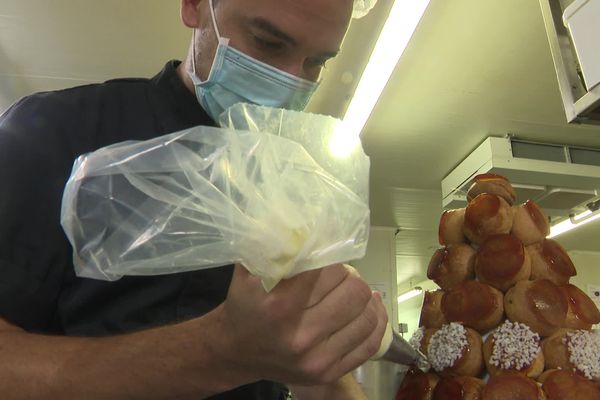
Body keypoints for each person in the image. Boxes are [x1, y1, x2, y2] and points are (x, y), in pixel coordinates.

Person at [0, 0, 388, 398]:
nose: (290, 82)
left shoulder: (292, 182)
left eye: (315, 64)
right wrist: (219, 352)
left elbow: (318, 380)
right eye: (268, 43)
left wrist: (331, 345)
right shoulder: (53, 133)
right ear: (194, 6)